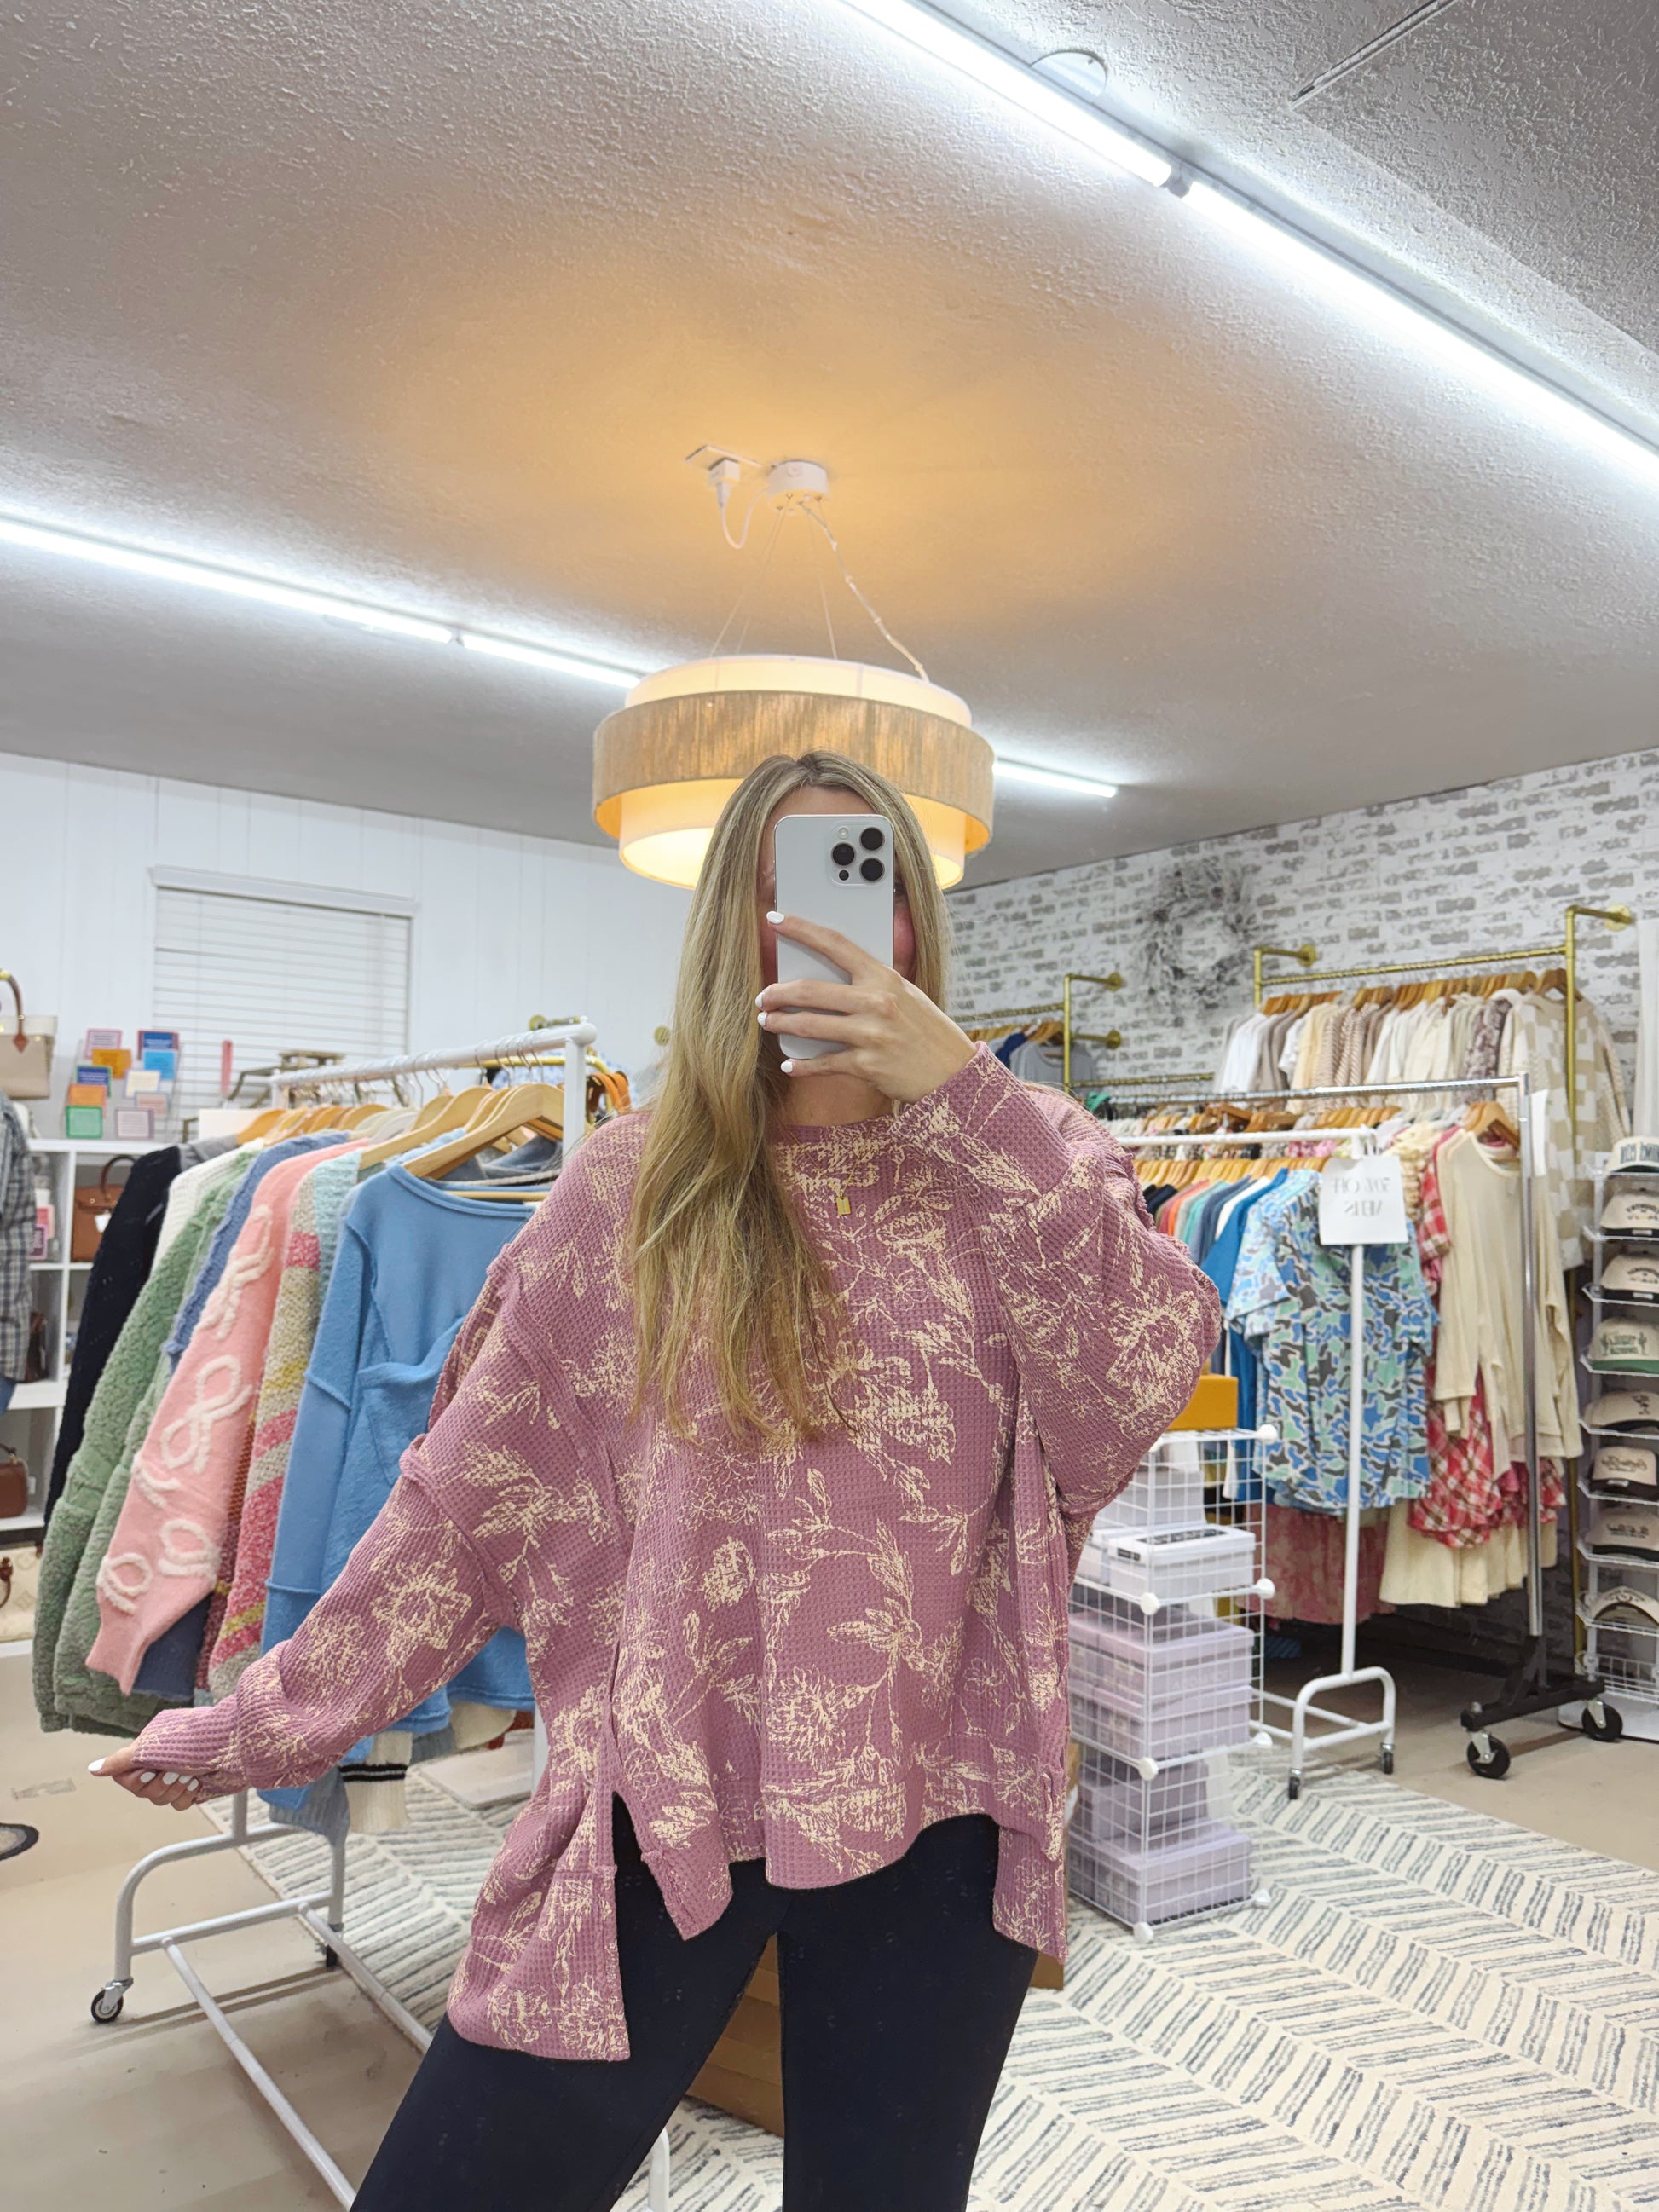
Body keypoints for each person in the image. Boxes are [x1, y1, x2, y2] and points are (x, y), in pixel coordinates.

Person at [93, 750, 1221, 2211]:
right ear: (721, 931)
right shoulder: (631, 1187)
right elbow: (462, 1507)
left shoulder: (1030, 1158)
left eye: (860, 880)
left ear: (913, 920)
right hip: (663, 1790)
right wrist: (264, 1720)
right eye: (776, 888)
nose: (817, 922)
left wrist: (964, 1094)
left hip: (941, 1798)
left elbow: (1137, 1377)